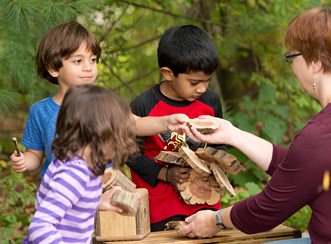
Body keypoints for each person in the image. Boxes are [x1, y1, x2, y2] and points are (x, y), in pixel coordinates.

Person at [178, 5, 331, 243]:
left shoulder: (325, 132)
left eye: (292, 56)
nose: (292, 66)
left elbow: (265, 212)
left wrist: (215, 220)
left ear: (315, 63)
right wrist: (233, 135)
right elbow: (305, 168)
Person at [10, 21, 189, 179]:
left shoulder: (103, 104)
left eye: (93, 59)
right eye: (78, 61)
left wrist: (167, 121)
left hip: (99, 194)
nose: (88, 67)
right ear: (53, 68)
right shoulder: (39, 111)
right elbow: (35, 155)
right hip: (58, 197)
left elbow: (135, 124)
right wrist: (24, 162)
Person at [126, 24, 225, 231]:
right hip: (159, 203)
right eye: (194, 82)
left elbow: (220, 146)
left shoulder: (210, 102)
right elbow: (129, 154)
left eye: (207, 81)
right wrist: (165, 174)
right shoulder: (144, 105)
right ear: (168, 73)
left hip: (204, 198)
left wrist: (218, 173)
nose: (202, 88)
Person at [21, 85, 138, 243]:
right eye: (119, 137)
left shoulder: (86, 167)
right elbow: (40, 227)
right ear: (99, 134)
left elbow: (69, 200)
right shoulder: (72, 174)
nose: (121, 145)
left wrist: (96, 201)